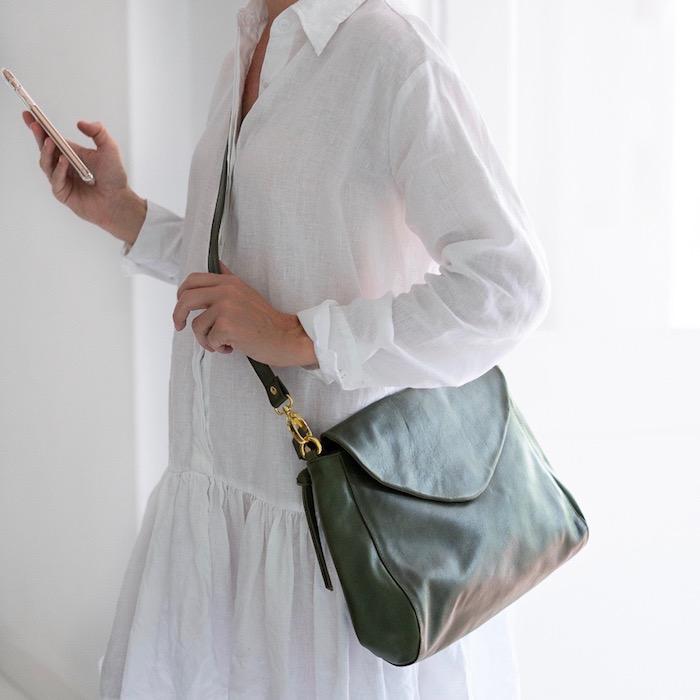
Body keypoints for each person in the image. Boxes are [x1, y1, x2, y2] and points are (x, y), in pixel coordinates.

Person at [25, 0, 550, 697]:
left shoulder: (390, 53)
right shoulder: (248, 48)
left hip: (336, 549)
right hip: (215, 511)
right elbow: (259, 263)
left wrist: (299, 335)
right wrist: (124, 213)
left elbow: (507, 286)